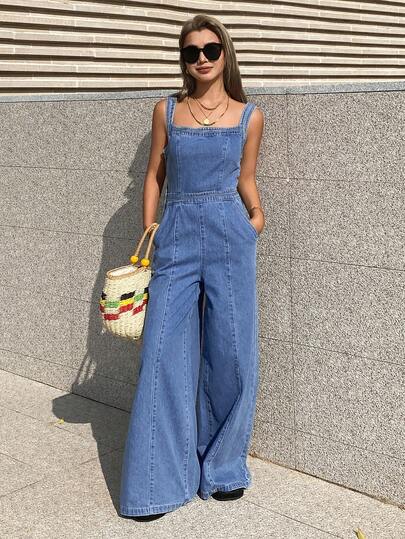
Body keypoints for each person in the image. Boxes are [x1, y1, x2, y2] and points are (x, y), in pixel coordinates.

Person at [119, 13, 265, 522]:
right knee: (162, 353)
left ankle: (223, 468)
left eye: (210, 49)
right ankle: (157, 482)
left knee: (233, 353)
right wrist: (151, 228)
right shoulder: (166, 110)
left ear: (225, 53)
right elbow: (154, 175)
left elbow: (246, 177)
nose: (201, 58)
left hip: (230, 234)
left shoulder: (249, 116)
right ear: (183, 59)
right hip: (176, 235)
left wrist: (256, 218)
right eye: (191, 51)